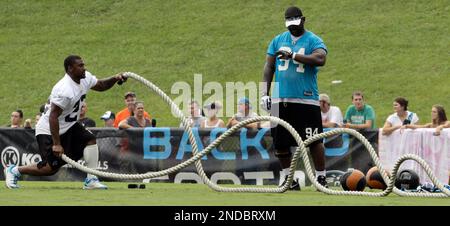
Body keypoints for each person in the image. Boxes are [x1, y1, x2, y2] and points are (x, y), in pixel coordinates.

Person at [3, 55, 127, 189]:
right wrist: (56, 144)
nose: (84, 68)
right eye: (80, 66)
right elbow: (53, 116)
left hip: (69, 125)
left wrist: (115, 78)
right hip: (49, 129)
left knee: (90, 139)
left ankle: (91, 180)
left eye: (83, 65)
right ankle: (14, 170)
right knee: (49, 168)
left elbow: (101, 85)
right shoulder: (64, 89)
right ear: (70, 69)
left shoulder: (84, 78)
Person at [260, 6, 328, 190]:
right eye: (289, 25)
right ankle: (289, 179)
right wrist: (264, 93)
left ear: (303, 20)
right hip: (280, 100)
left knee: (314, 141)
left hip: (306, 99)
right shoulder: (277, 40)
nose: (292, 28)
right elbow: (269, 67)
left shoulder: (313, 40)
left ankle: (321, 177)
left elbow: (320, 59)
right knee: (280, 143)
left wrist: (294, 55)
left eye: (295, 24)